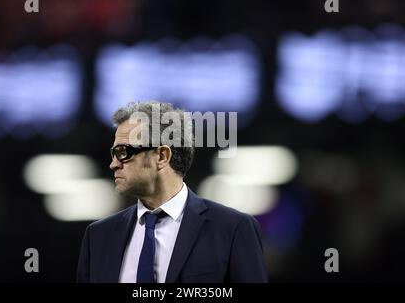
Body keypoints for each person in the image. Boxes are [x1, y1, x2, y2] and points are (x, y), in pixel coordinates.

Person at [76, 101, 268, 283]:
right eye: (113, 154)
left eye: (123, 152)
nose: (113, 164)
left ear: (161, 156)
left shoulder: (233, 228)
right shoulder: (98, 236)